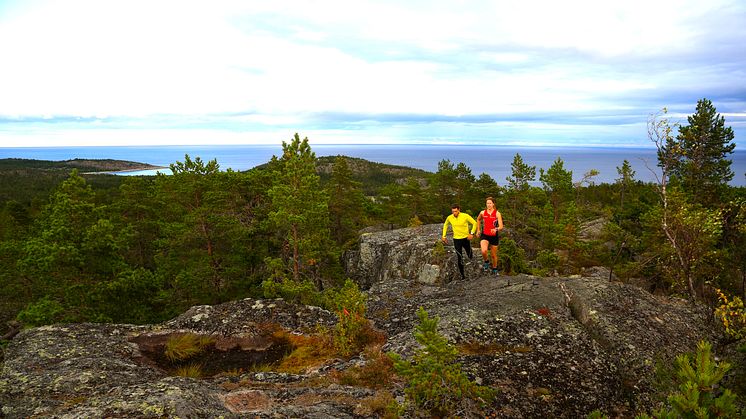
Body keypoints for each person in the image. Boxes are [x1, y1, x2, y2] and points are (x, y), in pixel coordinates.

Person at [441, 204, 477, 280]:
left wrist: (472, 233)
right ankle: (462, 275)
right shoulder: (450, 217)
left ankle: (473, 265)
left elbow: (475, 223)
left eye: (456, 211)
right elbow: (445, 225)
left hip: (465, 238)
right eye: (453, 211)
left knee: (469, 253)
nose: (454, 213)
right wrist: (444, 236)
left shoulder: (465, 216)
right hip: (456, 239)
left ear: (459, 210)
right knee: (459, 256)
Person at [476, 197, 504, 276]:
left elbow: (501, 226)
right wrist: (478, 230)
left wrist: (496, 229)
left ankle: (495, 268)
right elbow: (478, 220)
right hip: (485, 234)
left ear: (493, 204)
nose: (488, 205)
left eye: (490, 203)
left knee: (493, 255)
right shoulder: (482, 212)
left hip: (494, 236)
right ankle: (486, 262)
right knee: (484, 251)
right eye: (487, 203)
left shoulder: (497, 213)